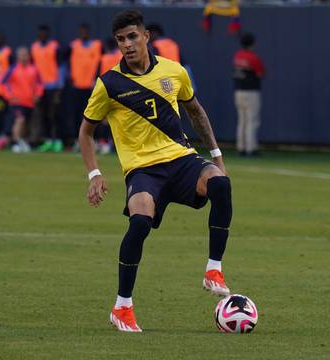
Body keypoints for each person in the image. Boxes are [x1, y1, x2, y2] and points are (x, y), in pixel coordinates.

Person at [79, 10, 233, 333]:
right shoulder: (109, 84)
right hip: (142, 170)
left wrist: (216, 155)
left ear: (146, 36)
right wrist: (94, 173)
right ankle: (122, 307)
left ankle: (213, 270)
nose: (127, 44)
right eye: (121, 40)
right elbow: (86, 131)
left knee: (220, 185)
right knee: (140, 223)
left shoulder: (174, 72)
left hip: (181, 160)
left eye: (133, 36)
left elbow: (196, 112)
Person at [2, 47, 43, 153]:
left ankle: (22, 141)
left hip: (29, 102)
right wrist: (9, 96)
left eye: (25, 54)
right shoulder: (13, 69)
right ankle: (15, 143)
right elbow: (3, 83)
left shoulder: (34, 69)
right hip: (16, 102)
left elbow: (39, 84)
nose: (24, 57)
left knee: (25, 124)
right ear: (18, 56)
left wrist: (37, 95)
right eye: (22, 55)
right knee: (20, 120)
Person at [31, 24, 65, 152]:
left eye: (45, 33)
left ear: (48, 34)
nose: (42, 35)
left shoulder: (54, 47)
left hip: (53, 86)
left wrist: (59, 86)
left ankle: (58, 141)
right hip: (40, 87)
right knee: (43, 115)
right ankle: (48, 140)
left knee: (55, 114)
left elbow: (61, 66)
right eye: (40, 33)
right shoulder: (34, 47)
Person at [69, 23, 102, 151]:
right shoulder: (74, 45)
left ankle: (95, 141)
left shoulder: (97, 45)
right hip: (77, 85)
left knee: (93, 115)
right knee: (77, 115)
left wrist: (96, 79)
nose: (83, 34)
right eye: (81, 31)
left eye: (85, 31)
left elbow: (101, 62)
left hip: (91, 86)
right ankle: (79, 141)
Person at [233, 33, 265, 157]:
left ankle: (241, 147)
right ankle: (251, 149)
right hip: (251, 92)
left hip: (238, 91)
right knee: (252, 121)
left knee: (242, 121)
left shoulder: (237, 55)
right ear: (252, 44)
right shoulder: (253, 57)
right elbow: (260, 73)